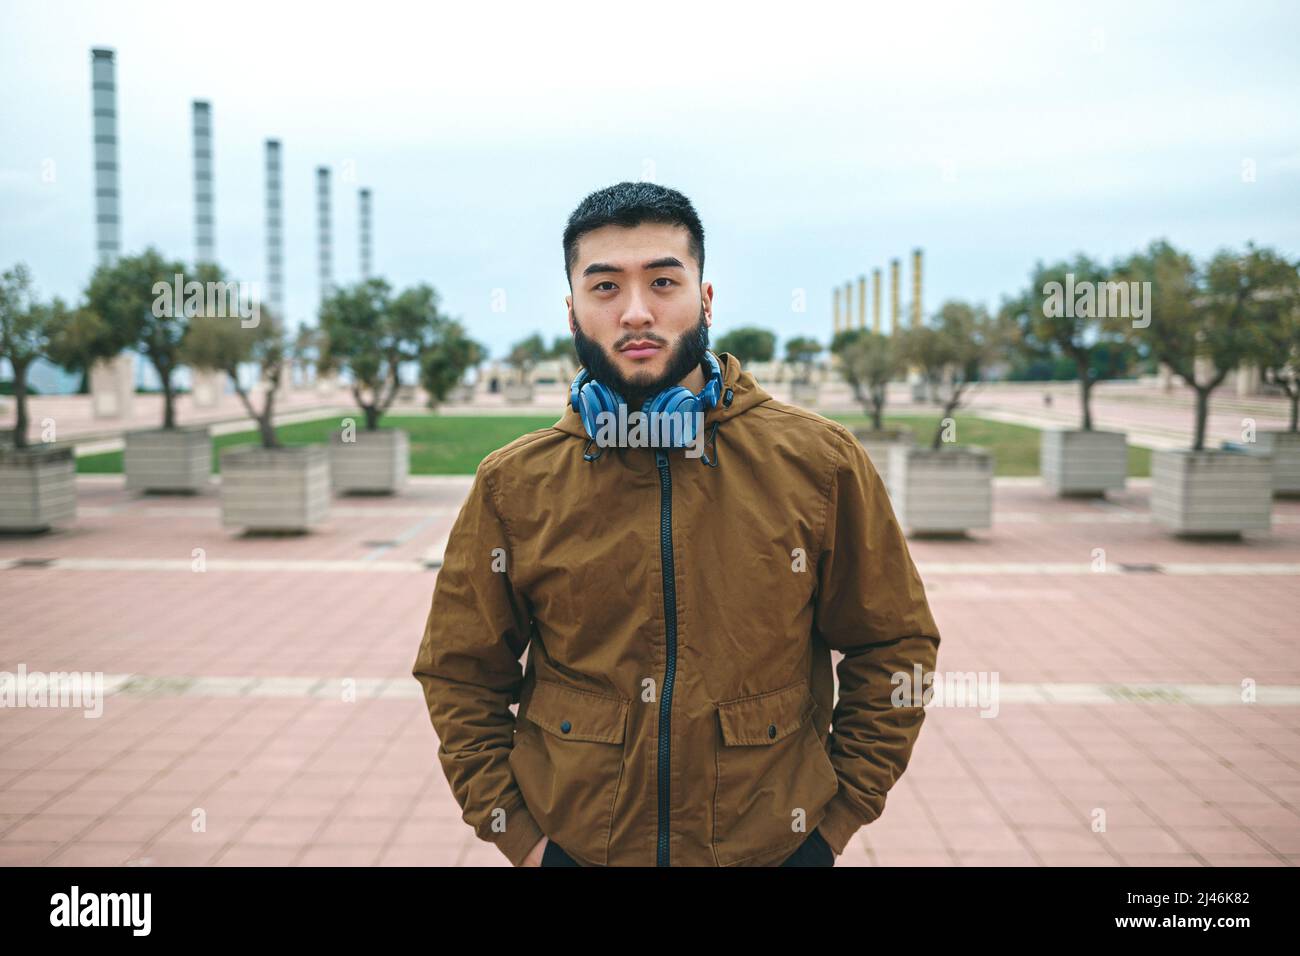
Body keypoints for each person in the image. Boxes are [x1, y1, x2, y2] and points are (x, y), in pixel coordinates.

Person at [412, 181, 941, 867]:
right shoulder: (514, 485)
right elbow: (460, 675)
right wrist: (525, 842)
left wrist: (832, 827)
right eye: (605, 288)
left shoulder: (819, 462)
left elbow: (896, 647)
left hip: (771, 851)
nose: (637, 312)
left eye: (663, 281)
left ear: (706, 299)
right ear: (573, 312)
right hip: (577, 852)